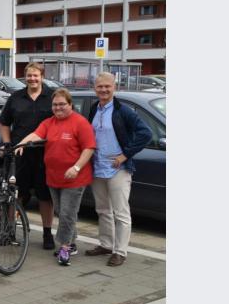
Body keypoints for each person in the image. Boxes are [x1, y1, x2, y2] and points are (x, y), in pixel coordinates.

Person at [17, 88, 96, 266]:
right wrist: (21, 144)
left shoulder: (80, 123)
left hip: (75, 178)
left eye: (62, 104)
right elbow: (36, 135)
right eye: (55, 105)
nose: (58, 108)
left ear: (70, 105)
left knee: (67, 213)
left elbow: (89, 148)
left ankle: (65, 248)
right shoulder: (49, 122)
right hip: (53, 177)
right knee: (62, 212)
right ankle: (72, 242)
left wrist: (76, 167)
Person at [85, 72, 152, 267]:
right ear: (94, 88)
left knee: (121, 212)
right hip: (98, 167)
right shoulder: (93, 109)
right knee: (103, 210)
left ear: (115, 88)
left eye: (107, 86)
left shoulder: (124, 111)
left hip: (118, 168)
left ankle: (120, 251)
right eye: (100, 87)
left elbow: (145, 133)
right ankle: (106, 245)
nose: (104, 90)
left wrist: (125, 154)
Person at [0, 62, 56, 250]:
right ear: (25, 77)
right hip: (19, 154)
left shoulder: (52, 97)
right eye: (29, 75)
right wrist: (7, 143)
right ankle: (9, 230)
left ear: (42, 76)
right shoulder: (15, 97)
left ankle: (47, 234)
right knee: (17, 194)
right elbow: (4, 123)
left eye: (35, 75)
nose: (32, 79)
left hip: (44, 154)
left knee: (45, 196)